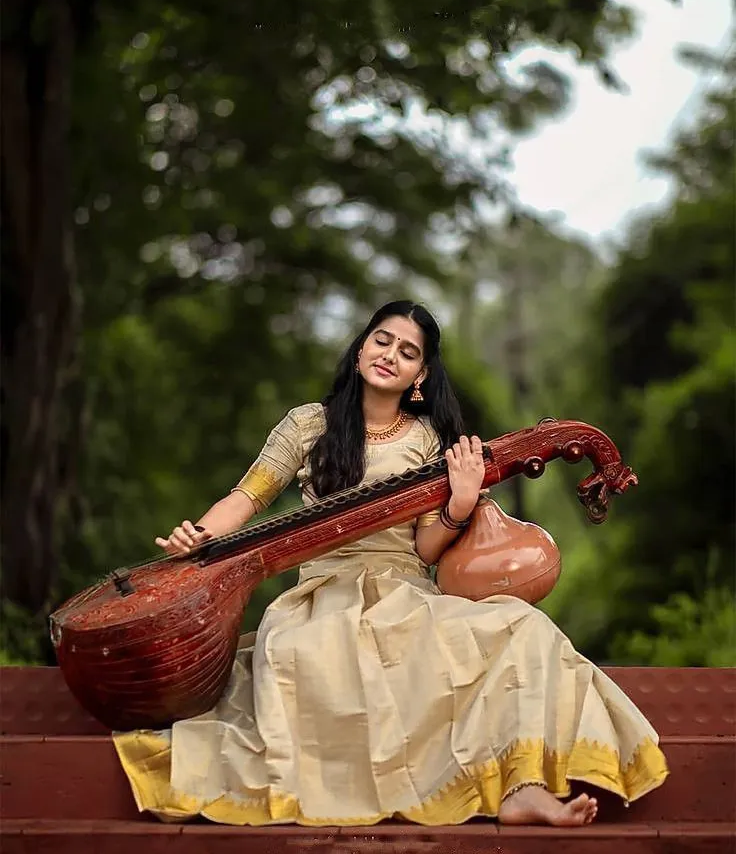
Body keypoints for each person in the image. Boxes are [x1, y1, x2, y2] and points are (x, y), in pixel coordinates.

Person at [113, 299, 668, 827]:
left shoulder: (431, 441)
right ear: (360, 350)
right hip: (322, 596)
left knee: (522, 628)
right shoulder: (310, 424)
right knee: (320, 654)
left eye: (408, 352)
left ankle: (522, 788)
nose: (390, 355)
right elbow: (248, 497)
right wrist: (202, 536)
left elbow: (426, 549)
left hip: (404, 592)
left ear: (420, 376)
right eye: (382, 341)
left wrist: (458, 503)